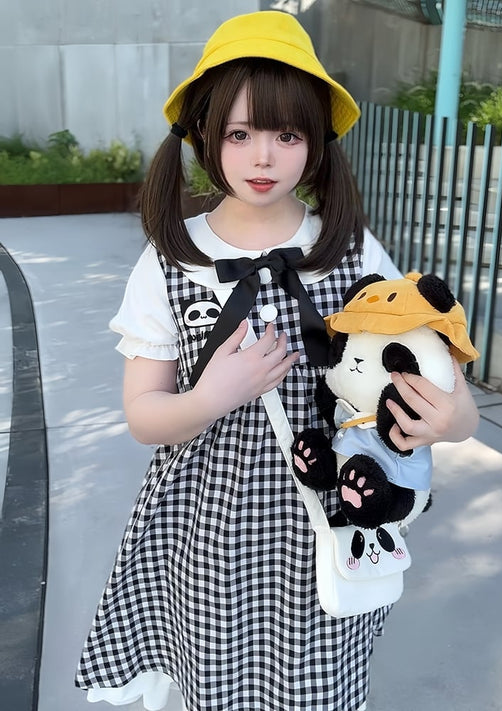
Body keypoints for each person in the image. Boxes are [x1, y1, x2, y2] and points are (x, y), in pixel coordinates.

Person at [75, 10, 479, 711]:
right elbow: (144, 415)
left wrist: (455, 418)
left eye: (286, 135)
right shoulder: (170, 261)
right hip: (208, 527)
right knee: (218, 677)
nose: (262, 158)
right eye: (239, 134)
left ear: (316, 143)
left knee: (319, 679)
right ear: (204, 137)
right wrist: (210, 396)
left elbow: (432, 369)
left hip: (329, 510)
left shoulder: (353, 251)